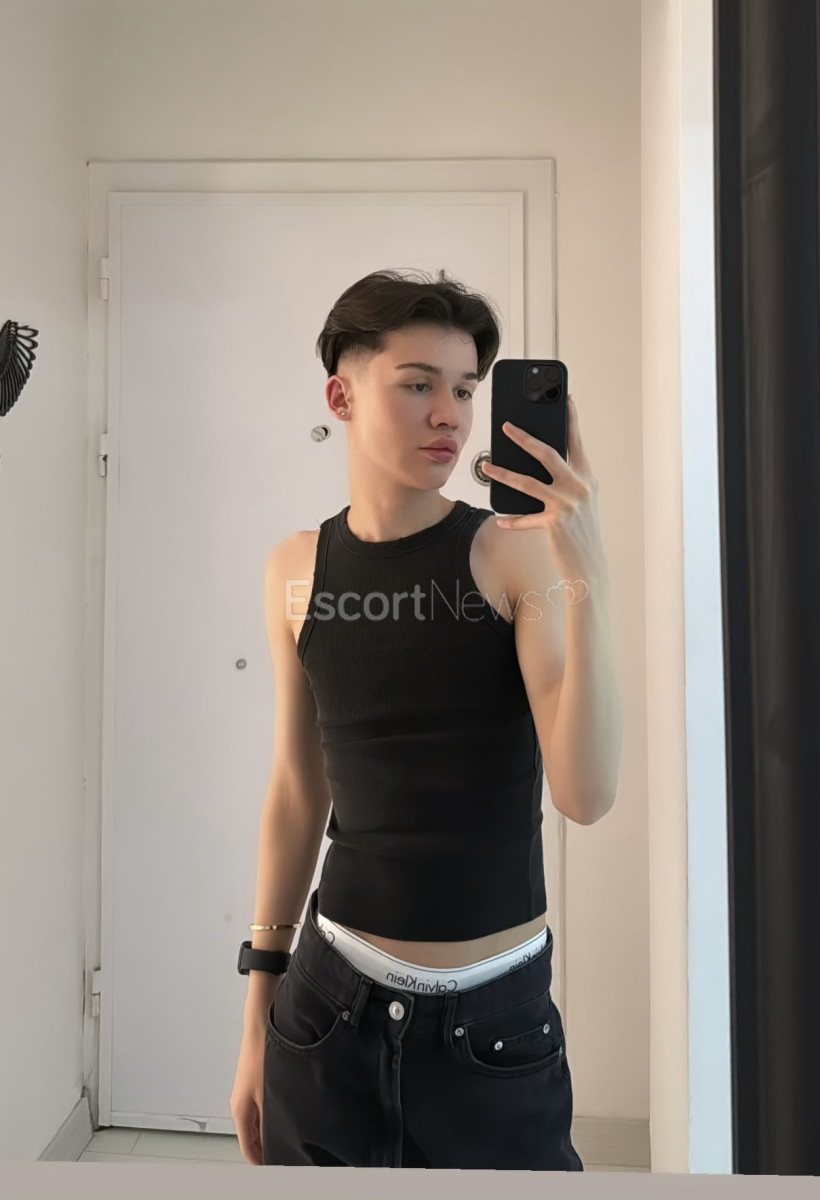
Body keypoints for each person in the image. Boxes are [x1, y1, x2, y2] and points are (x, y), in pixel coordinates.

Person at [230, 268, 606, 1169]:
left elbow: (584, 794)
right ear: (342, 396)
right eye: (418, 385)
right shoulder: (294, 569)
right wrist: (256, 1017)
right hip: (326, 1010)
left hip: (495, 1027)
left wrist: (587, 578)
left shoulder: (512, 557)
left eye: (466, 390)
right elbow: (296, 793)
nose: (450, 414)